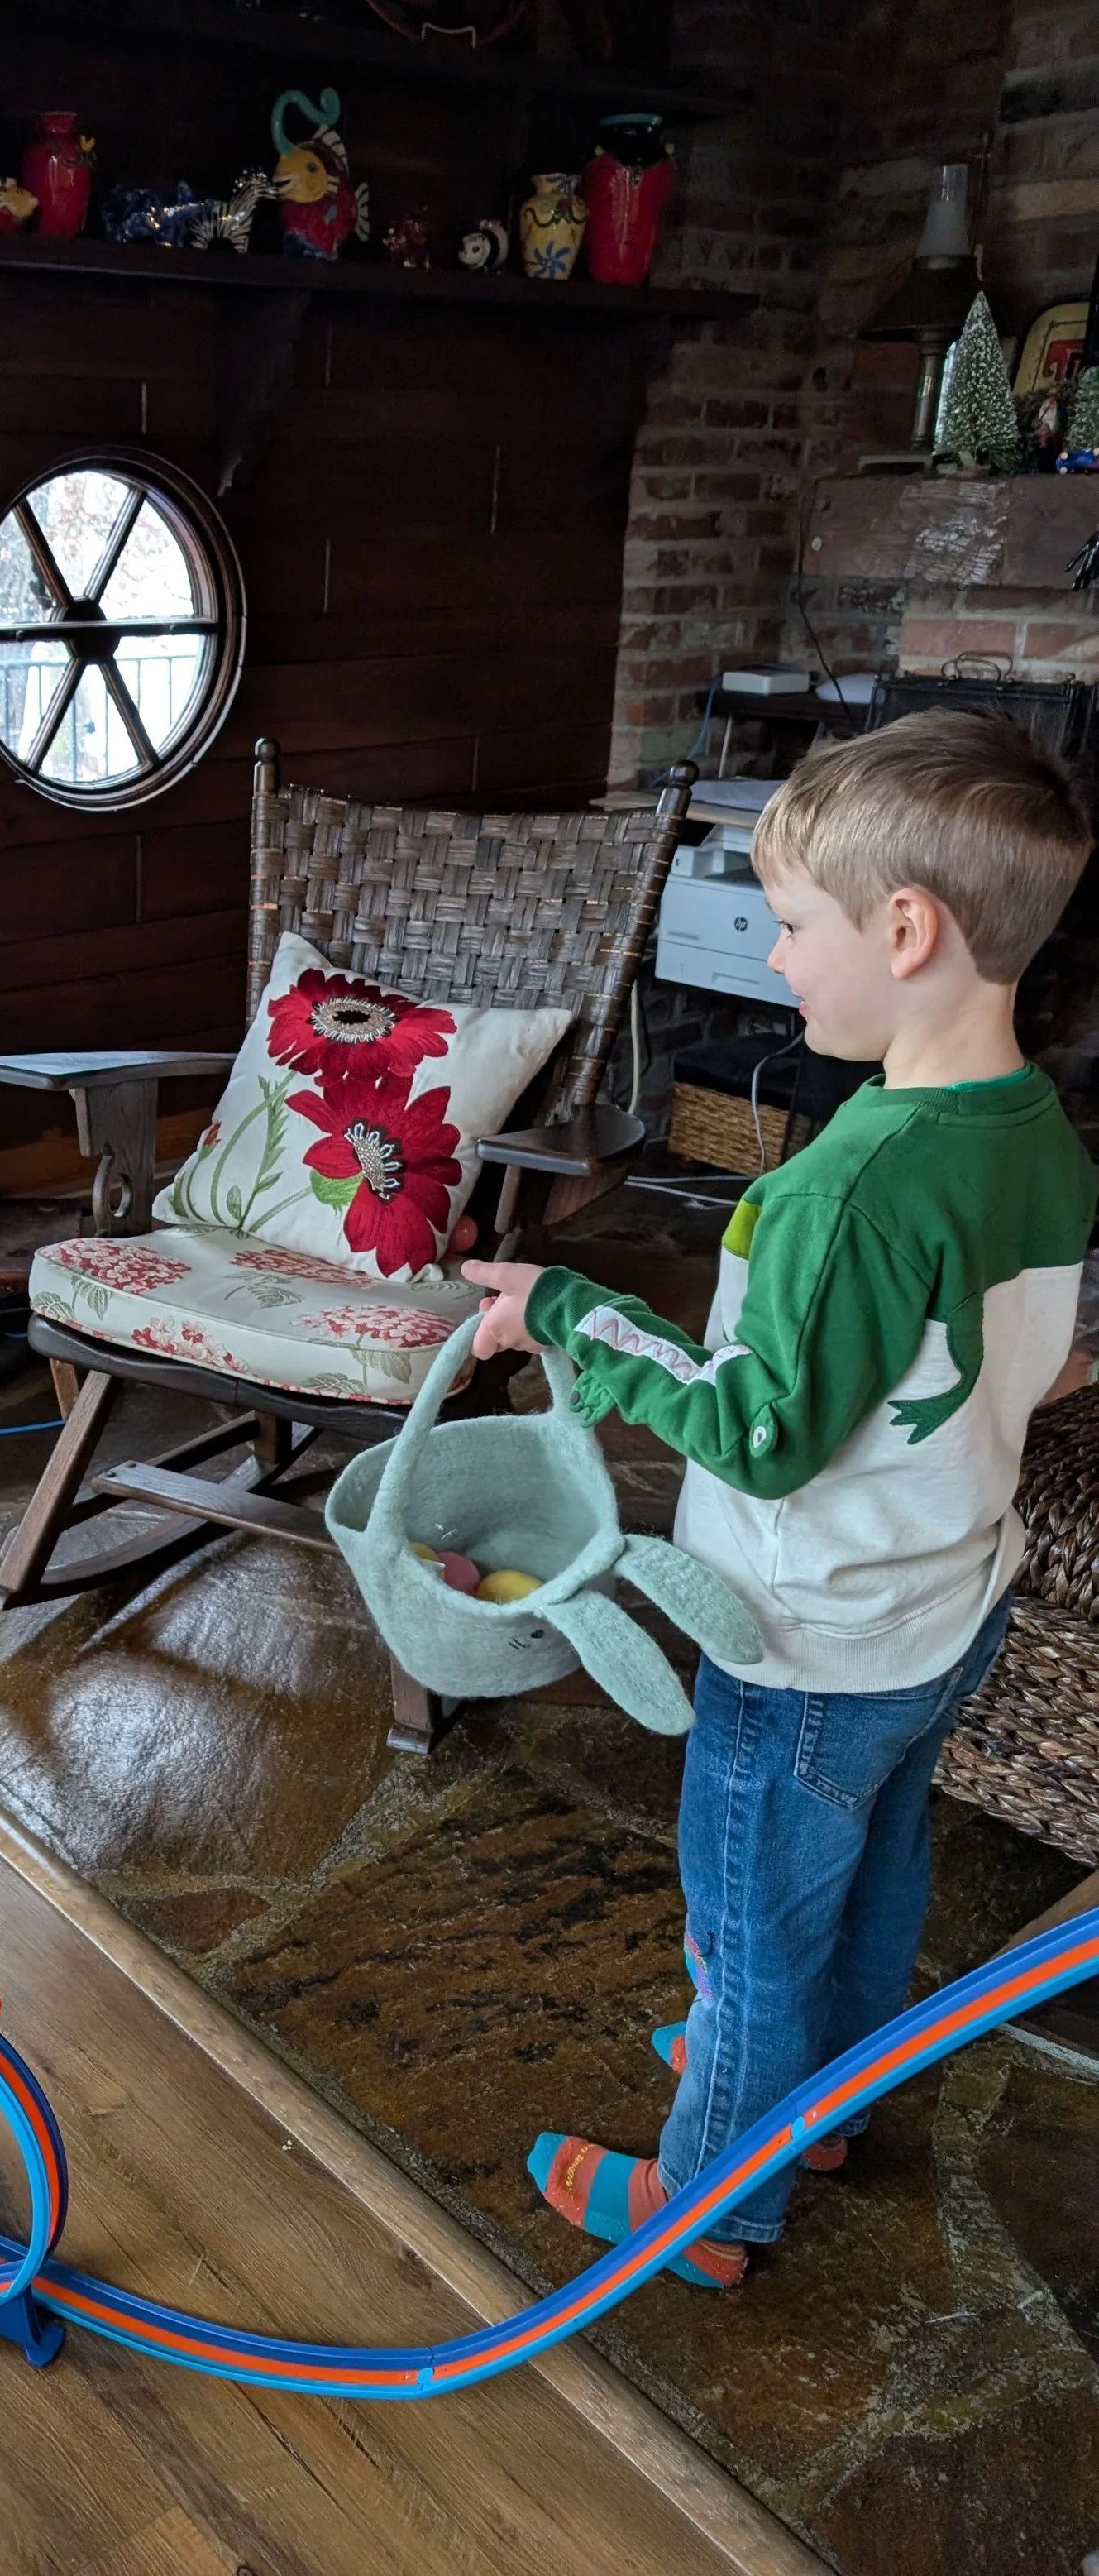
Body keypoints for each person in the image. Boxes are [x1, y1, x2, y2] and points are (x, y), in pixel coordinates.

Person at [463, 712, 1096, 2285]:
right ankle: (827, 2100)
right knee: (878, 1870)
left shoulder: (847, 1190)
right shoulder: (1041, 1137)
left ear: (906, 929)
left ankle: (710, 2210)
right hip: (945, 1607)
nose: (775, 953)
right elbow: (1046, 1361)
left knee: (748, 1928)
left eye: (791, 922)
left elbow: (756, 1439)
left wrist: (569, 1313)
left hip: (804, 1639)